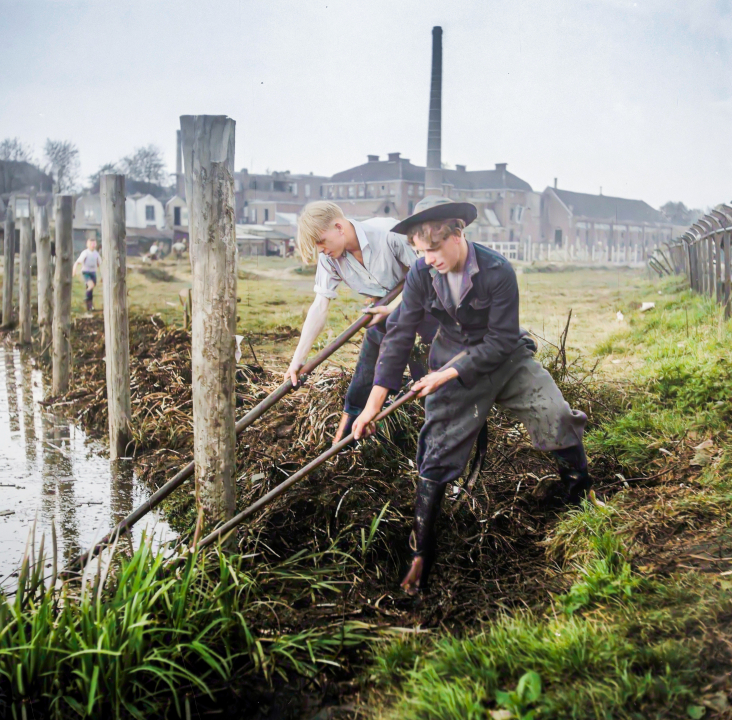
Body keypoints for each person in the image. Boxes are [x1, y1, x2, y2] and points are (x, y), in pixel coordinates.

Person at [352, 196, 591, 596]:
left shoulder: (497, 271)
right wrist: (372, 406)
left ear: (458, 235)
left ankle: (578, 497)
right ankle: (421, 556)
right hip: (452, 365)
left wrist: (447, 373)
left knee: (556, 414)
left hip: (505, 359)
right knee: (436, 453)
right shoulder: (420, 275)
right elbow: (399, 335)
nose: (426, 260)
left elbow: (499, 341)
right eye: (419, 252)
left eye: (432, 250)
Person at [285, 201, 437, 443]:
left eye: (322, 241)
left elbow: (430, 279)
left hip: (423, 315)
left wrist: (394, 309)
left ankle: (440, 448)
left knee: (428, 385)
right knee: (360, 386)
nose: (321, 250)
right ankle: (341, 448)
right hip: (383, 318)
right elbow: (320, 305)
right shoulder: (330, 259)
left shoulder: (390, 233)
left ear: (339, 227)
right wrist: (297, 360)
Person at [72, 237, 102, 312]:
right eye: (91, 243)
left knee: (91, 288)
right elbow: (77, 262)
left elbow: (100, 264)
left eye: (94, 243)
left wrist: (102, 275)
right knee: (90, 286)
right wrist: (74, 271)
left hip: (93, 272)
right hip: (86, 272)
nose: (93, 245)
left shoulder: (96, 254)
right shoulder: (85, 253)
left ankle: (89, 307)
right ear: (87, 244)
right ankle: (86, 299)